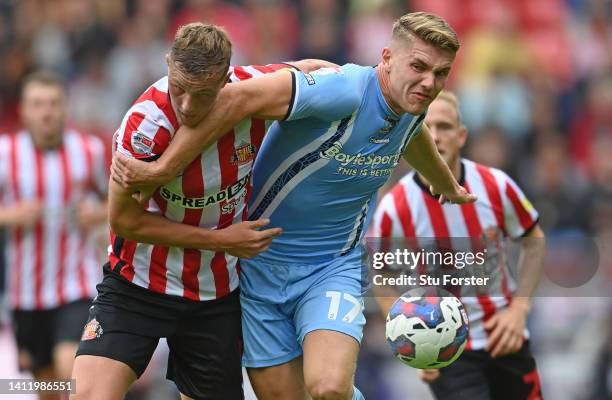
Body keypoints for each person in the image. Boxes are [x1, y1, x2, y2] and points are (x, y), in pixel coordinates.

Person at [111, 12, 476, 400]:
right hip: (257, 266)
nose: (429, 83)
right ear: (386, 57)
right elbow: (234, 97)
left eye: (441, 74)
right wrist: (163, 169)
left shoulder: (409, 104)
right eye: (419, 67)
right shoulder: (345, 91)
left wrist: (446, 184)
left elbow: (413, 133)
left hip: (332, 267)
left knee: (329, 387)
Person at [71, 22, 334, 400]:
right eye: (179, 89)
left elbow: (317, 71)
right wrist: (220, 240)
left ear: (227, 79)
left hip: (215, 294)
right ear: (168, 63)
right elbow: (124, 221)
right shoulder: (144, 126)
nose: (189, 106)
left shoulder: (253, 89)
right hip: (139, 284)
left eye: (204, 94)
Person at [371, 91, 545, 399]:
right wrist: (407, 336)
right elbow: (380, 275)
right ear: (410, 136)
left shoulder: (496, 186)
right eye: (424, 127)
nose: (435, 136)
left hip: (506, 337)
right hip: (447, 348)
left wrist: (519, 309)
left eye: (445, 126)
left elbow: (534, 241)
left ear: (461, 135)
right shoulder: (395, 206)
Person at [0, 71, 108, 400]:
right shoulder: (5, 154)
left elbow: (116, 200)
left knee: (68, 369)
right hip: (25, 293)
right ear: (23, 110)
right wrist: (10, 216)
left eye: (53, 103)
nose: (46, 112)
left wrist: (99, 213)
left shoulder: (89, 151)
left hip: (76, 285)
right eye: (37, 104)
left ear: (65, 108)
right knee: (46, 384)